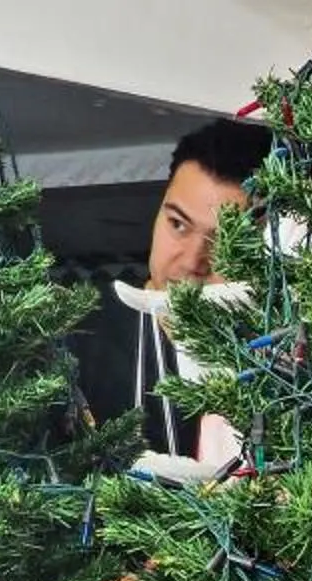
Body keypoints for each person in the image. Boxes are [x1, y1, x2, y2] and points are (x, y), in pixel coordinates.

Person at [77, 118, 274, 458]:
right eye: (178, 224)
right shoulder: (80, 336)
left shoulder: (284, 358)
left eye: (224, 242)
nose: (192, 262)